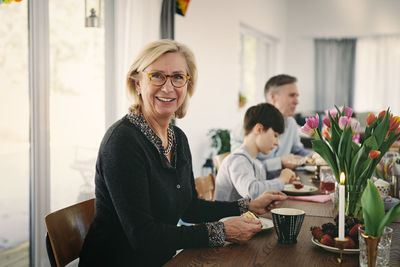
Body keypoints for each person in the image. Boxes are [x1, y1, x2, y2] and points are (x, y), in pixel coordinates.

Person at [78, 39, 288, 266]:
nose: (168, 87)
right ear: (137, 83)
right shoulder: (122, 142)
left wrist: (247, 205)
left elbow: (188, 207)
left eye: (178, 77)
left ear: (187, 85)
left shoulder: (177, 138)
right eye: (157, 75)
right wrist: (221, 231)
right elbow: (143, 237)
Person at [231, 74, 310, 178]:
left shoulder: (291, 123)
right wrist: (279, 162)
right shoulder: (247, 126)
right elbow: (243, 168)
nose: (297, 102)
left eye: (297, 96)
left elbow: (298, 151)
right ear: (272, 97)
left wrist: (318, 158)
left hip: (282, 186)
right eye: (292, 95)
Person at [214, 103, 296, 201]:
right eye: (275, 135)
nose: (277, 143)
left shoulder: (255, 162)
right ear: (259, 129)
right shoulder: (238, 159)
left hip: (245, 215)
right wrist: (282, 180)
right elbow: (253, 192)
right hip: (229, 216)